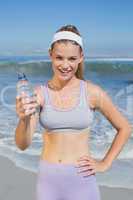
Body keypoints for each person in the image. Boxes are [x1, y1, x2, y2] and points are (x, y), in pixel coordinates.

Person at [15, 25, 131, 200]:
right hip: (49, 181)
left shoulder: (92, 92)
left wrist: (105, 163)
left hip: (82, 181)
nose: (65, 65)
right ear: (50, 55)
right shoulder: (39, 94)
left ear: (81, 58)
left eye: (72, 58)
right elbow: (23, 144)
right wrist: (23, 120)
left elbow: (125, 128)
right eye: (59, 58)